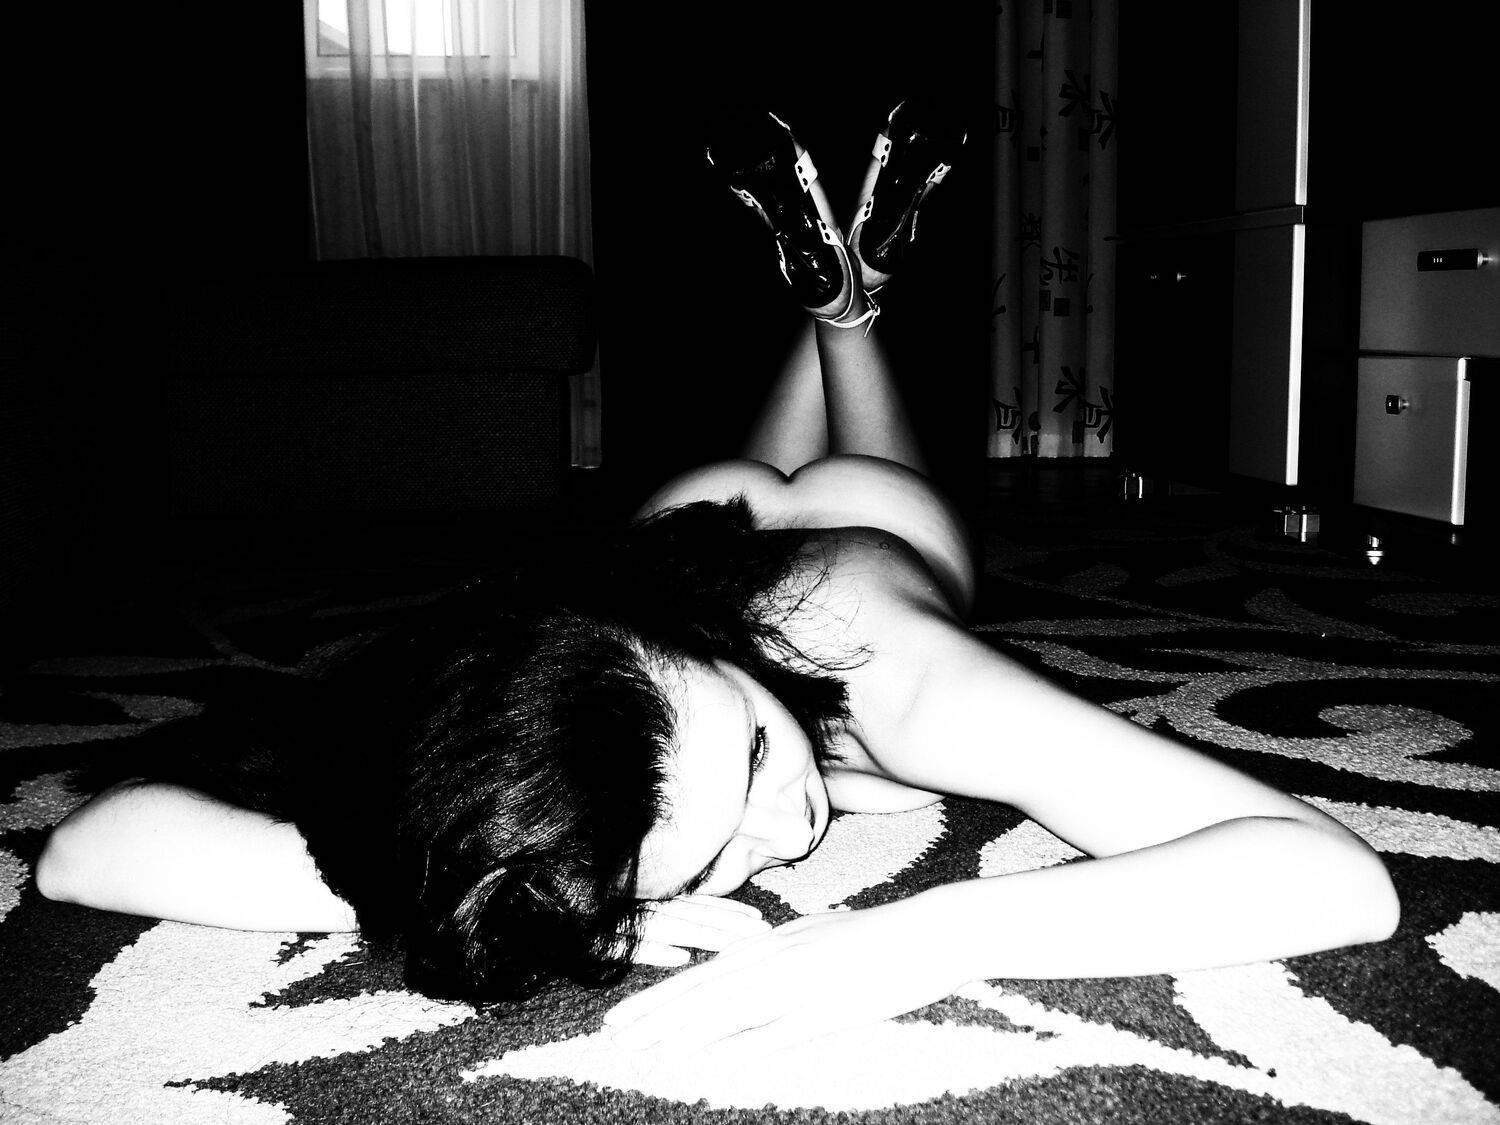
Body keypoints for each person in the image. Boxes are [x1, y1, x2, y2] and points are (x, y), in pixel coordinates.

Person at [36, 102, 1399, 1055]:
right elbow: (83, 851)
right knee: (780, 462)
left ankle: (846, 310)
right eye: (720, 853)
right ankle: (838, 298)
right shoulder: (531, 690)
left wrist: (923, 936)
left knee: (865, 468)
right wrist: (515, 897)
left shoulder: (903, 680)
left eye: (750, 755)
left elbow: (1334, 879)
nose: (788, 829)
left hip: (867, 532)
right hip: (684, 527)